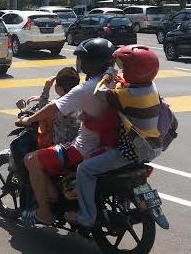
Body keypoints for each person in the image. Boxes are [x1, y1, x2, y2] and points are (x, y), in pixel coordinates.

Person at [16, 38, 116, 225]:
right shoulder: (113, 79)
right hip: (110, 144)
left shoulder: (86, 88)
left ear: (90, 62)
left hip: (84, 147)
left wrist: (29, 119)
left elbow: (54, 107)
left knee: (31, 160)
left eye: (81, 59)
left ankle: (44, 213)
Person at [67, 44, 162, 229]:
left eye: (124, 67)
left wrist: (109, 74)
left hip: (132, 150)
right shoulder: (151, 87)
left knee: (85, 170)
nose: (122, 70)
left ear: (135, 71)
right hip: (152, 146)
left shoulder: (128, 94)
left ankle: (86, 216)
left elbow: (99, 93)